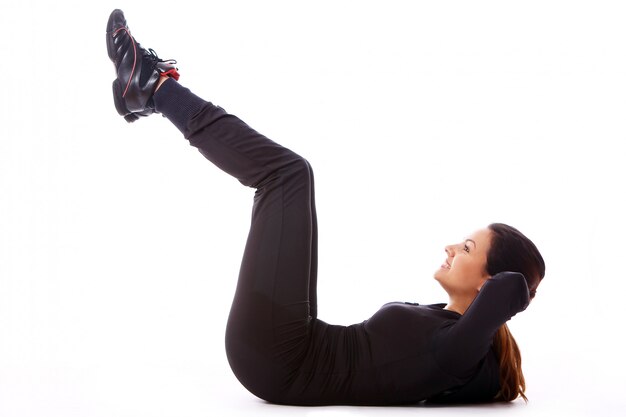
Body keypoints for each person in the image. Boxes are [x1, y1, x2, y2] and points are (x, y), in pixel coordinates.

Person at [105, 9, 545, 406]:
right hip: (292, 348)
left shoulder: (459, 352)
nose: (451, 247)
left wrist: (517, 284)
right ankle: (148, 91)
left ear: (488, 283)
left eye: (467, 248)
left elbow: (512, 288)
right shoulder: (453, 334)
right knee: (292, 175)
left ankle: (154, 88)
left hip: (281, 359)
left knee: (288, 175)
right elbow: (499, 298)